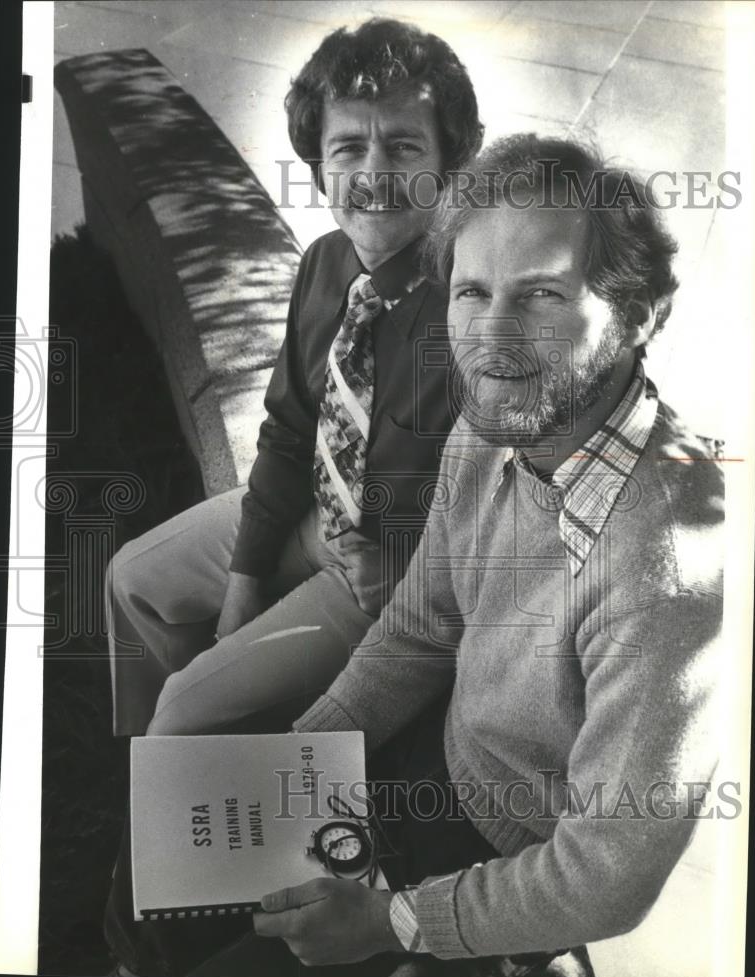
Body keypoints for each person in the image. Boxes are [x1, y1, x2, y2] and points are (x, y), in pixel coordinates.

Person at [167, 135, 722, 977]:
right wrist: (300, 764)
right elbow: (421, 630)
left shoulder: (667, 575)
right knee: (170, 900)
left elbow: (606, 873)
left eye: (542, 294)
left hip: (511, 858)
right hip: (429, 759)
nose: (492, 340)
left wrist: (397, 923)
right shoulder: (493, 424)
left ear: (640, 315)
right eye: (472, 292)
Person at [105, 17, 483, 737]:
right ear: (319, 167)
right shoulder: (324, 265)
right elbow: (286, 431)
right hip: (312, 516)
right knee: (133, 579)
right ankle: (166, 775)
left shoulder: (471, 312)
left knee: (186, 710)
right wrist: (245, 583)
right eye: (348, 148)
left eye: (404, 147)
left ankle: (199, 755)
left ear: (450, 164)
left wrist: (402, 572)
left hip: (383, 578)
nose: (372, 174)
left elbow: (499, 506)